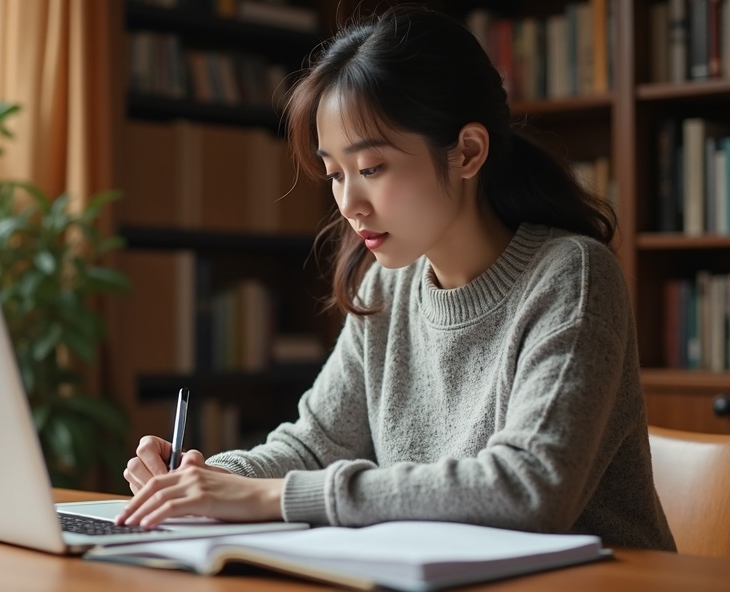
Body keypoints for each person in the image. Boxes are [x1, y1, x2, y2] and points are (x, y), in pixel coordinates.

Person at [115, 5, 676, 551]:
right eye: (335, 174)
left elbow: (529, 489)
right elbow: (314, 446)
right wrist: (203, 478)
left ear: (468, 152)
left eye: (371, 168)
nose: (348, 203)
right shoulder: (387, 285)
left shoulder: (570, 277)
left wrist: (271, 497)